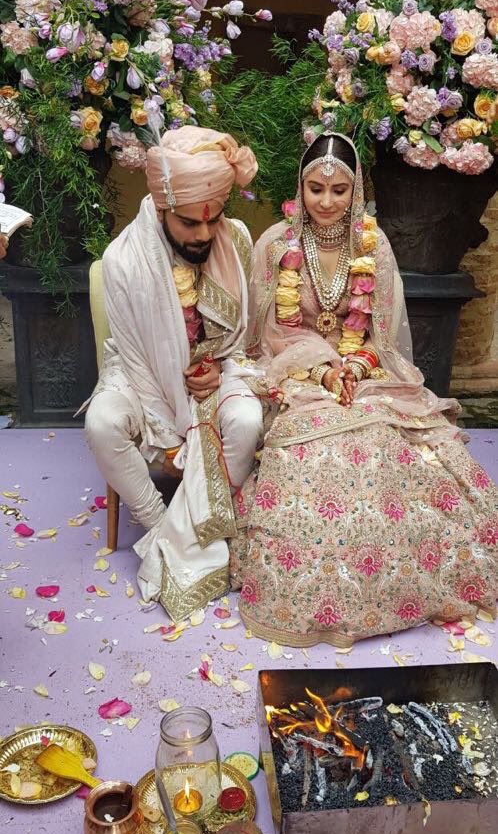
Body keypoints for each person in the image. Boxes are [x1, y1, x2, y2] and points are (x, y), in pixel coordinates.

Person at [230, 132, 498, 648]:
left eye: (338, 191)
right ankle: (315, 594)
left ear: (356, 192)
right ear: (299, 188)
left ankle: (401, 585)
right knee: (317, 457)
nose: (326, 202)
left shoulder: (374, 247)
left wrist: (356, 362)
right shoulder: (276, 245)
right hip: (298, 376)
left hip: (369, 375)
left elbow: (385, 330)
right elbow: (271, 331)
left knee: (399, 448)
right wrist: (324, 368)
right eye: (315, 189)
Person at [85, 125, 263, 621]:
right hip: (142, 371)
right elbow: (139, 358)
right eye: (189, 224)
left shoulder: (237, 240)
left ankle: (204, 519)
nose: (204, 235)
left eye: (213, 220)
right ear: (162, 208)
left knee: (247, 422)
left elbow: (243, 335)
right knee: (101, 424)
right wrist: (172, 419)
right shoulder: (123, 259)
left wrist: (219, 367)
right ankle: (164, 526)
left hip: (217, 363)